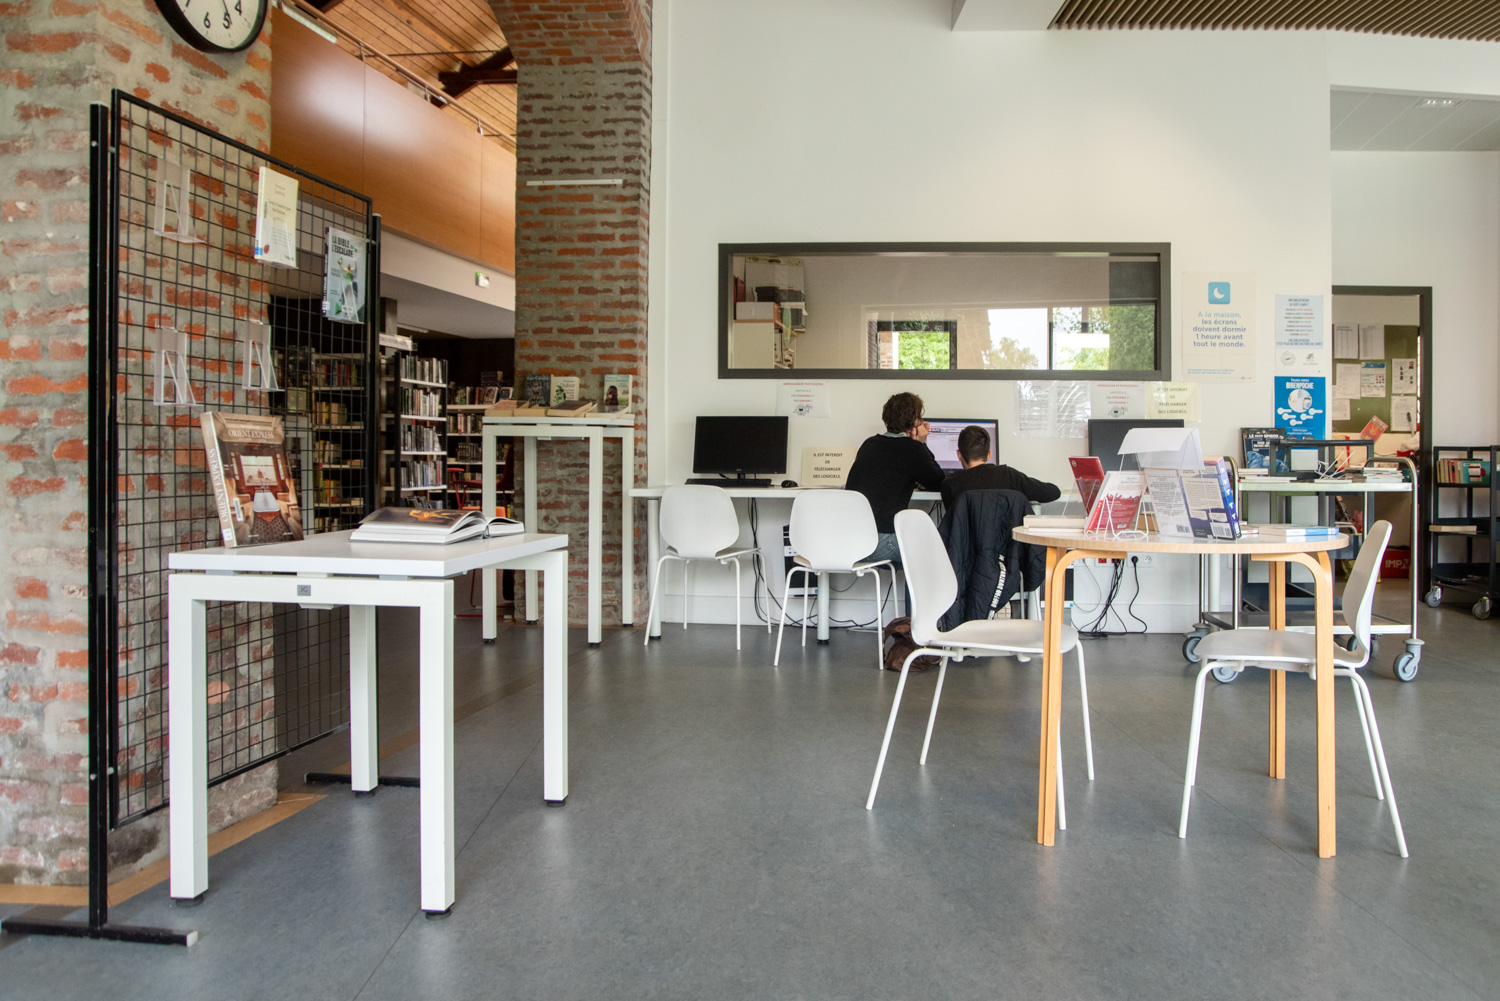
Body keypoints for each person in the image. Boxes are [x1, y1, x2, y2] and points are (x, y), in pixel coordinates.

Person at [845, 392, 946, 567]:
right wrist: (921, 443)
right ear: (914, 422)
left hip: (848, 540)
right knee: (930, 547)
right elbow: (938, 482)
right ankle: (915, 587)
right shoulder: (913, 449)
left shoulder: (869, 443)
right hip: (877, 544)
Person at [939, 424, 1060, 510]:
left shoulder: (949, 484)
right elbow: (1053, 493)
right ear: (989, 454)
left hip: (966, 541)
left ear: (959, 455)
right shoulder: (1008, 475)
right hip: (1006, 540)